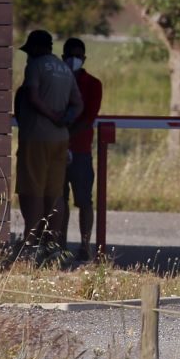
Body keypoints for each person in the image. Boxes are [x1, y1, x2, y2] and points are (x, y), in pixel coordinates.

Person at [14, 30, 83, 258]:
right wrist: (64, 119)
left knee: (32, 190)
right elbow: (78, 103)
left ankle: (30, 244)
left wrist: (51, 115)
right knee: (55, 193)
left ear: (34, 48)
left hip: (36, 137)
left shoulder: (35, 67)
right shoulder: (64, 69)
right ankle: (53, 245)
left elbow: (32, 96)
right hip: (60, 139)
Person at [60, 38, 103, 262]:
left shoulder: (93, 84)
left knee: (84, 200)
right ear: (62, 57)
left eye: (77, 56)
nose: (73, 60)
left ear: (84, 58)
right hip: (56, 150)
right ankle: (61, 244)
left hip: (80, 150)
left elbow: (89, 117)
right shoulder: (56, 81)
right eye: (69, 55)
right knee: (59, 199)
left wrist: (66, 133)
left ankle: (85, 245)